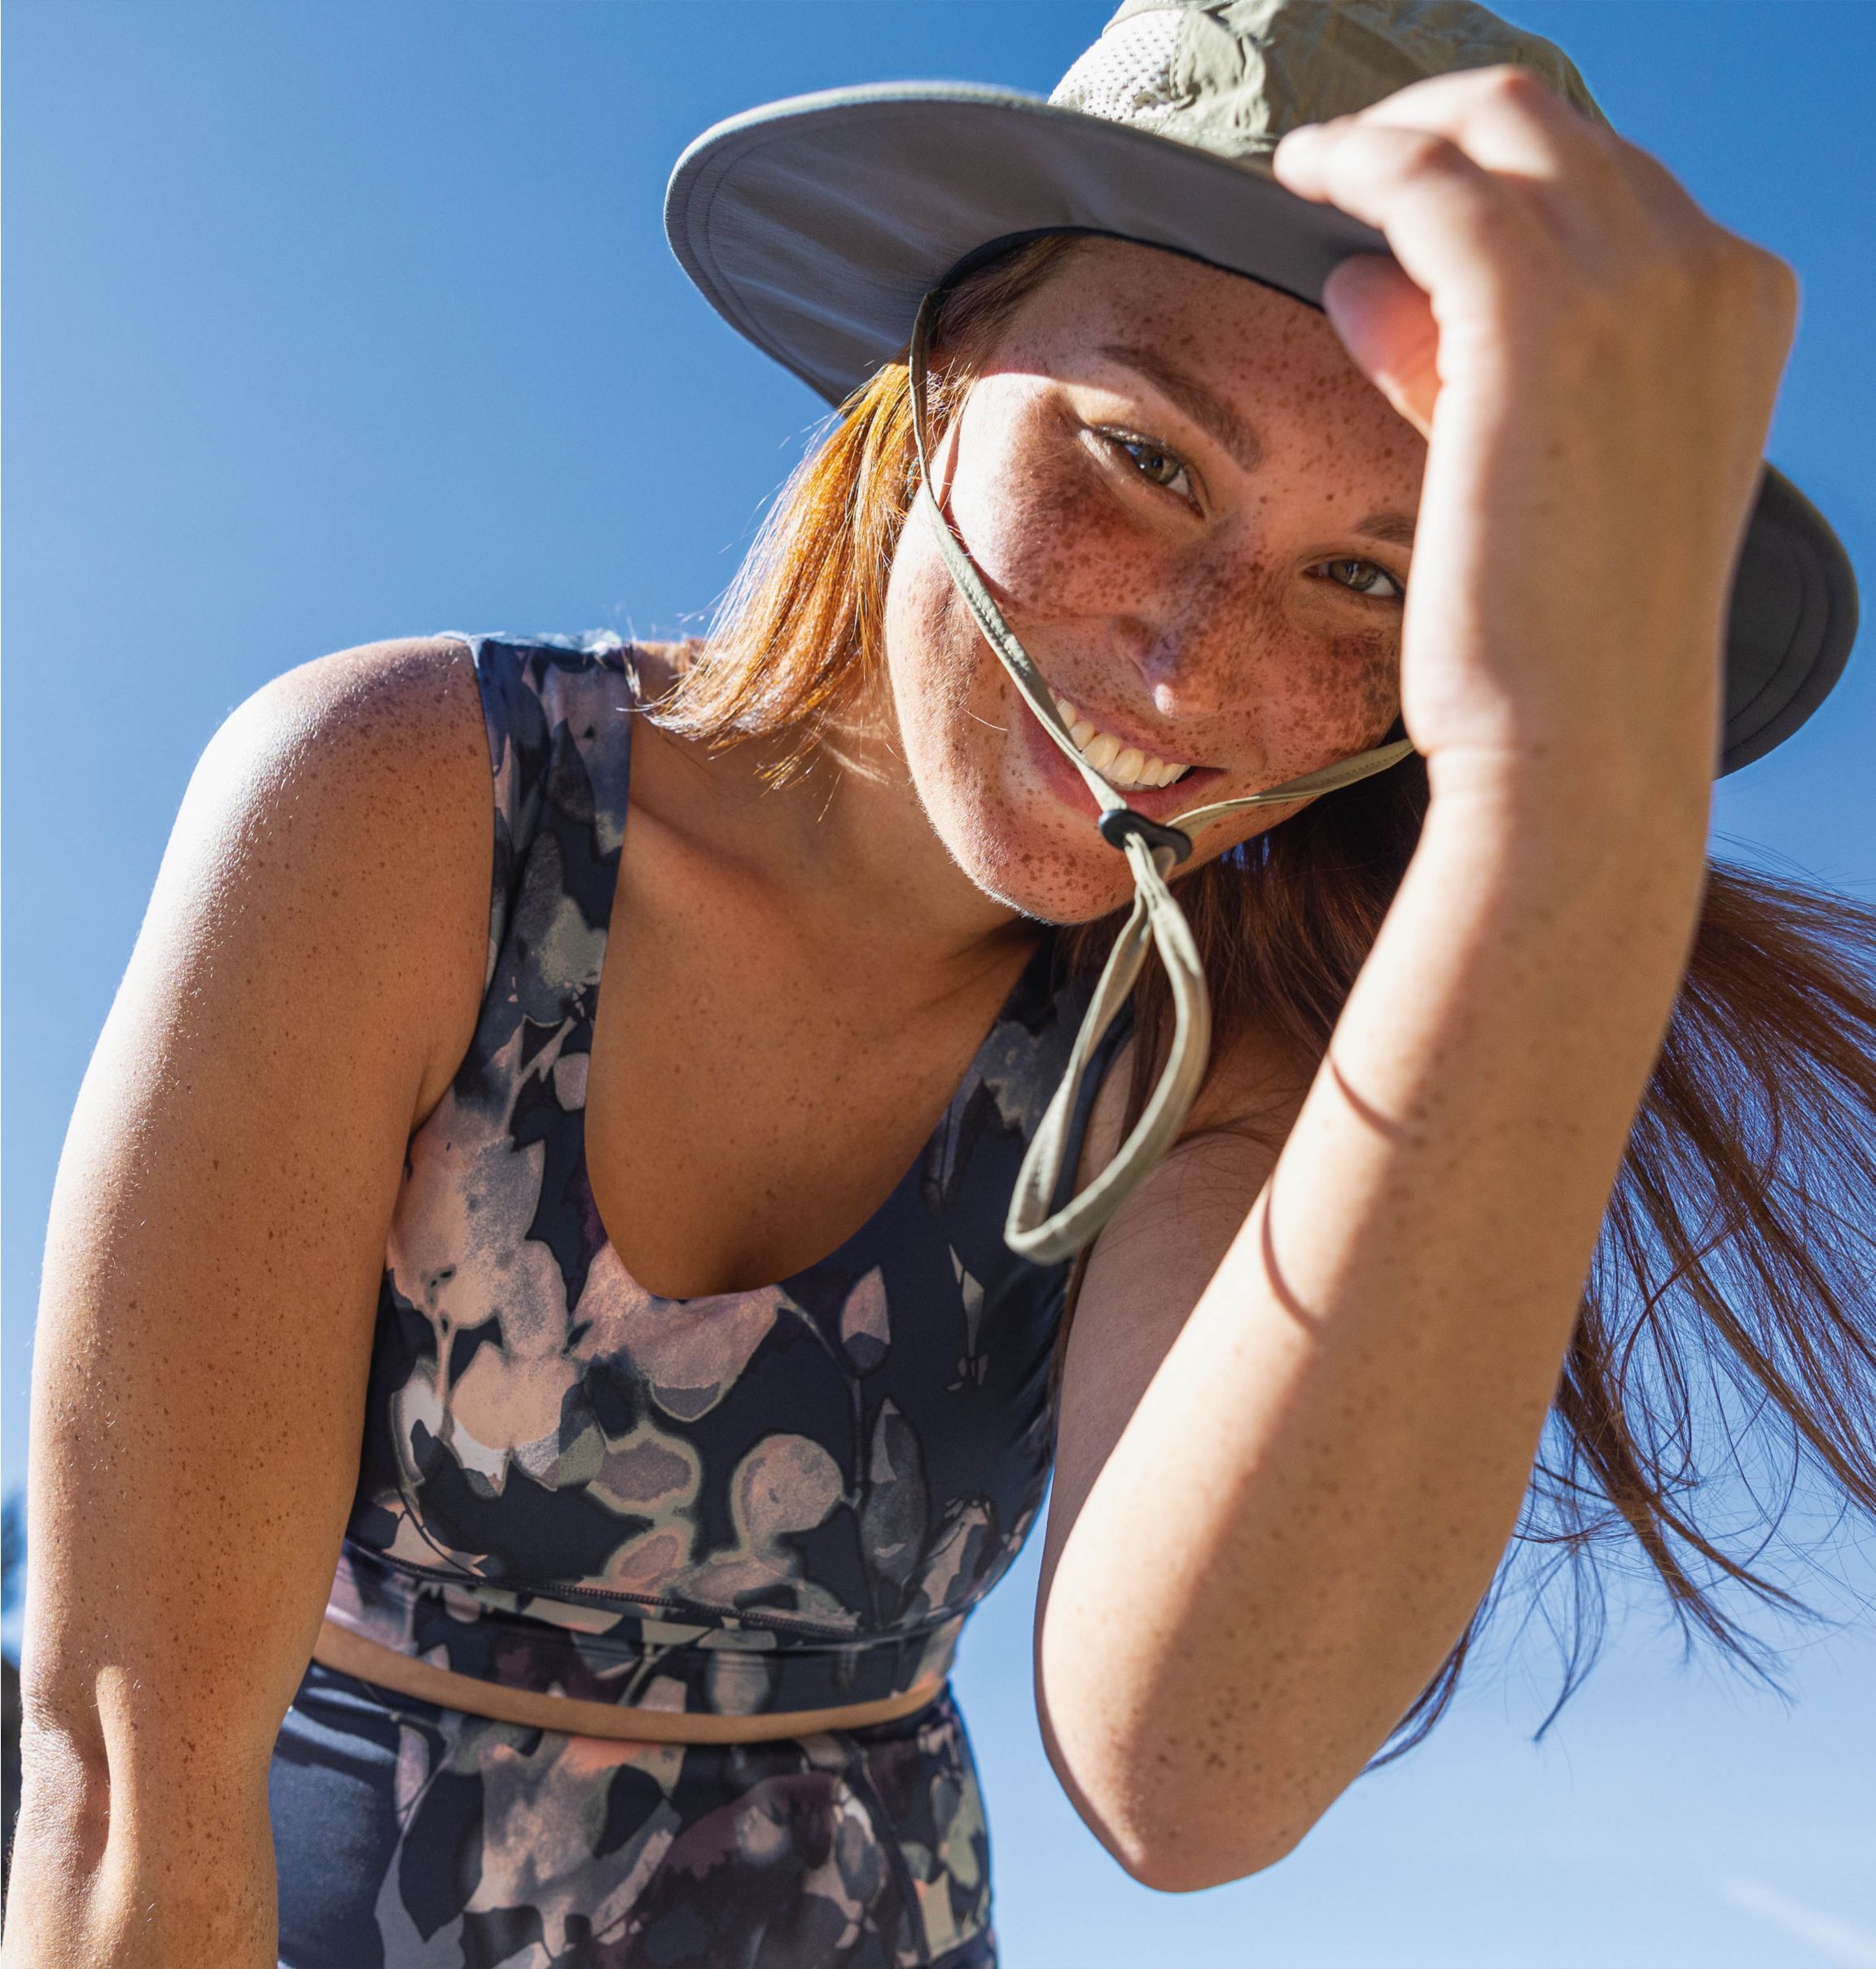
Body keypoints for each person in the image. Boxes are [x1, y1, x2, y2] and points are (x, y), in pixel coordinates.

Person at [7, 1, 1874, 1963]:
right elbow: (128, 1769)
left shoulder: (1209, 1047)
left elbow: (1194, 1778)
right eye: (1146, 457)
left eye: (1370, 582)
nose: (1189, 672)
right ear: (940, 373)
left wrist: (1567, 795)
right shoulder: (404, 809)